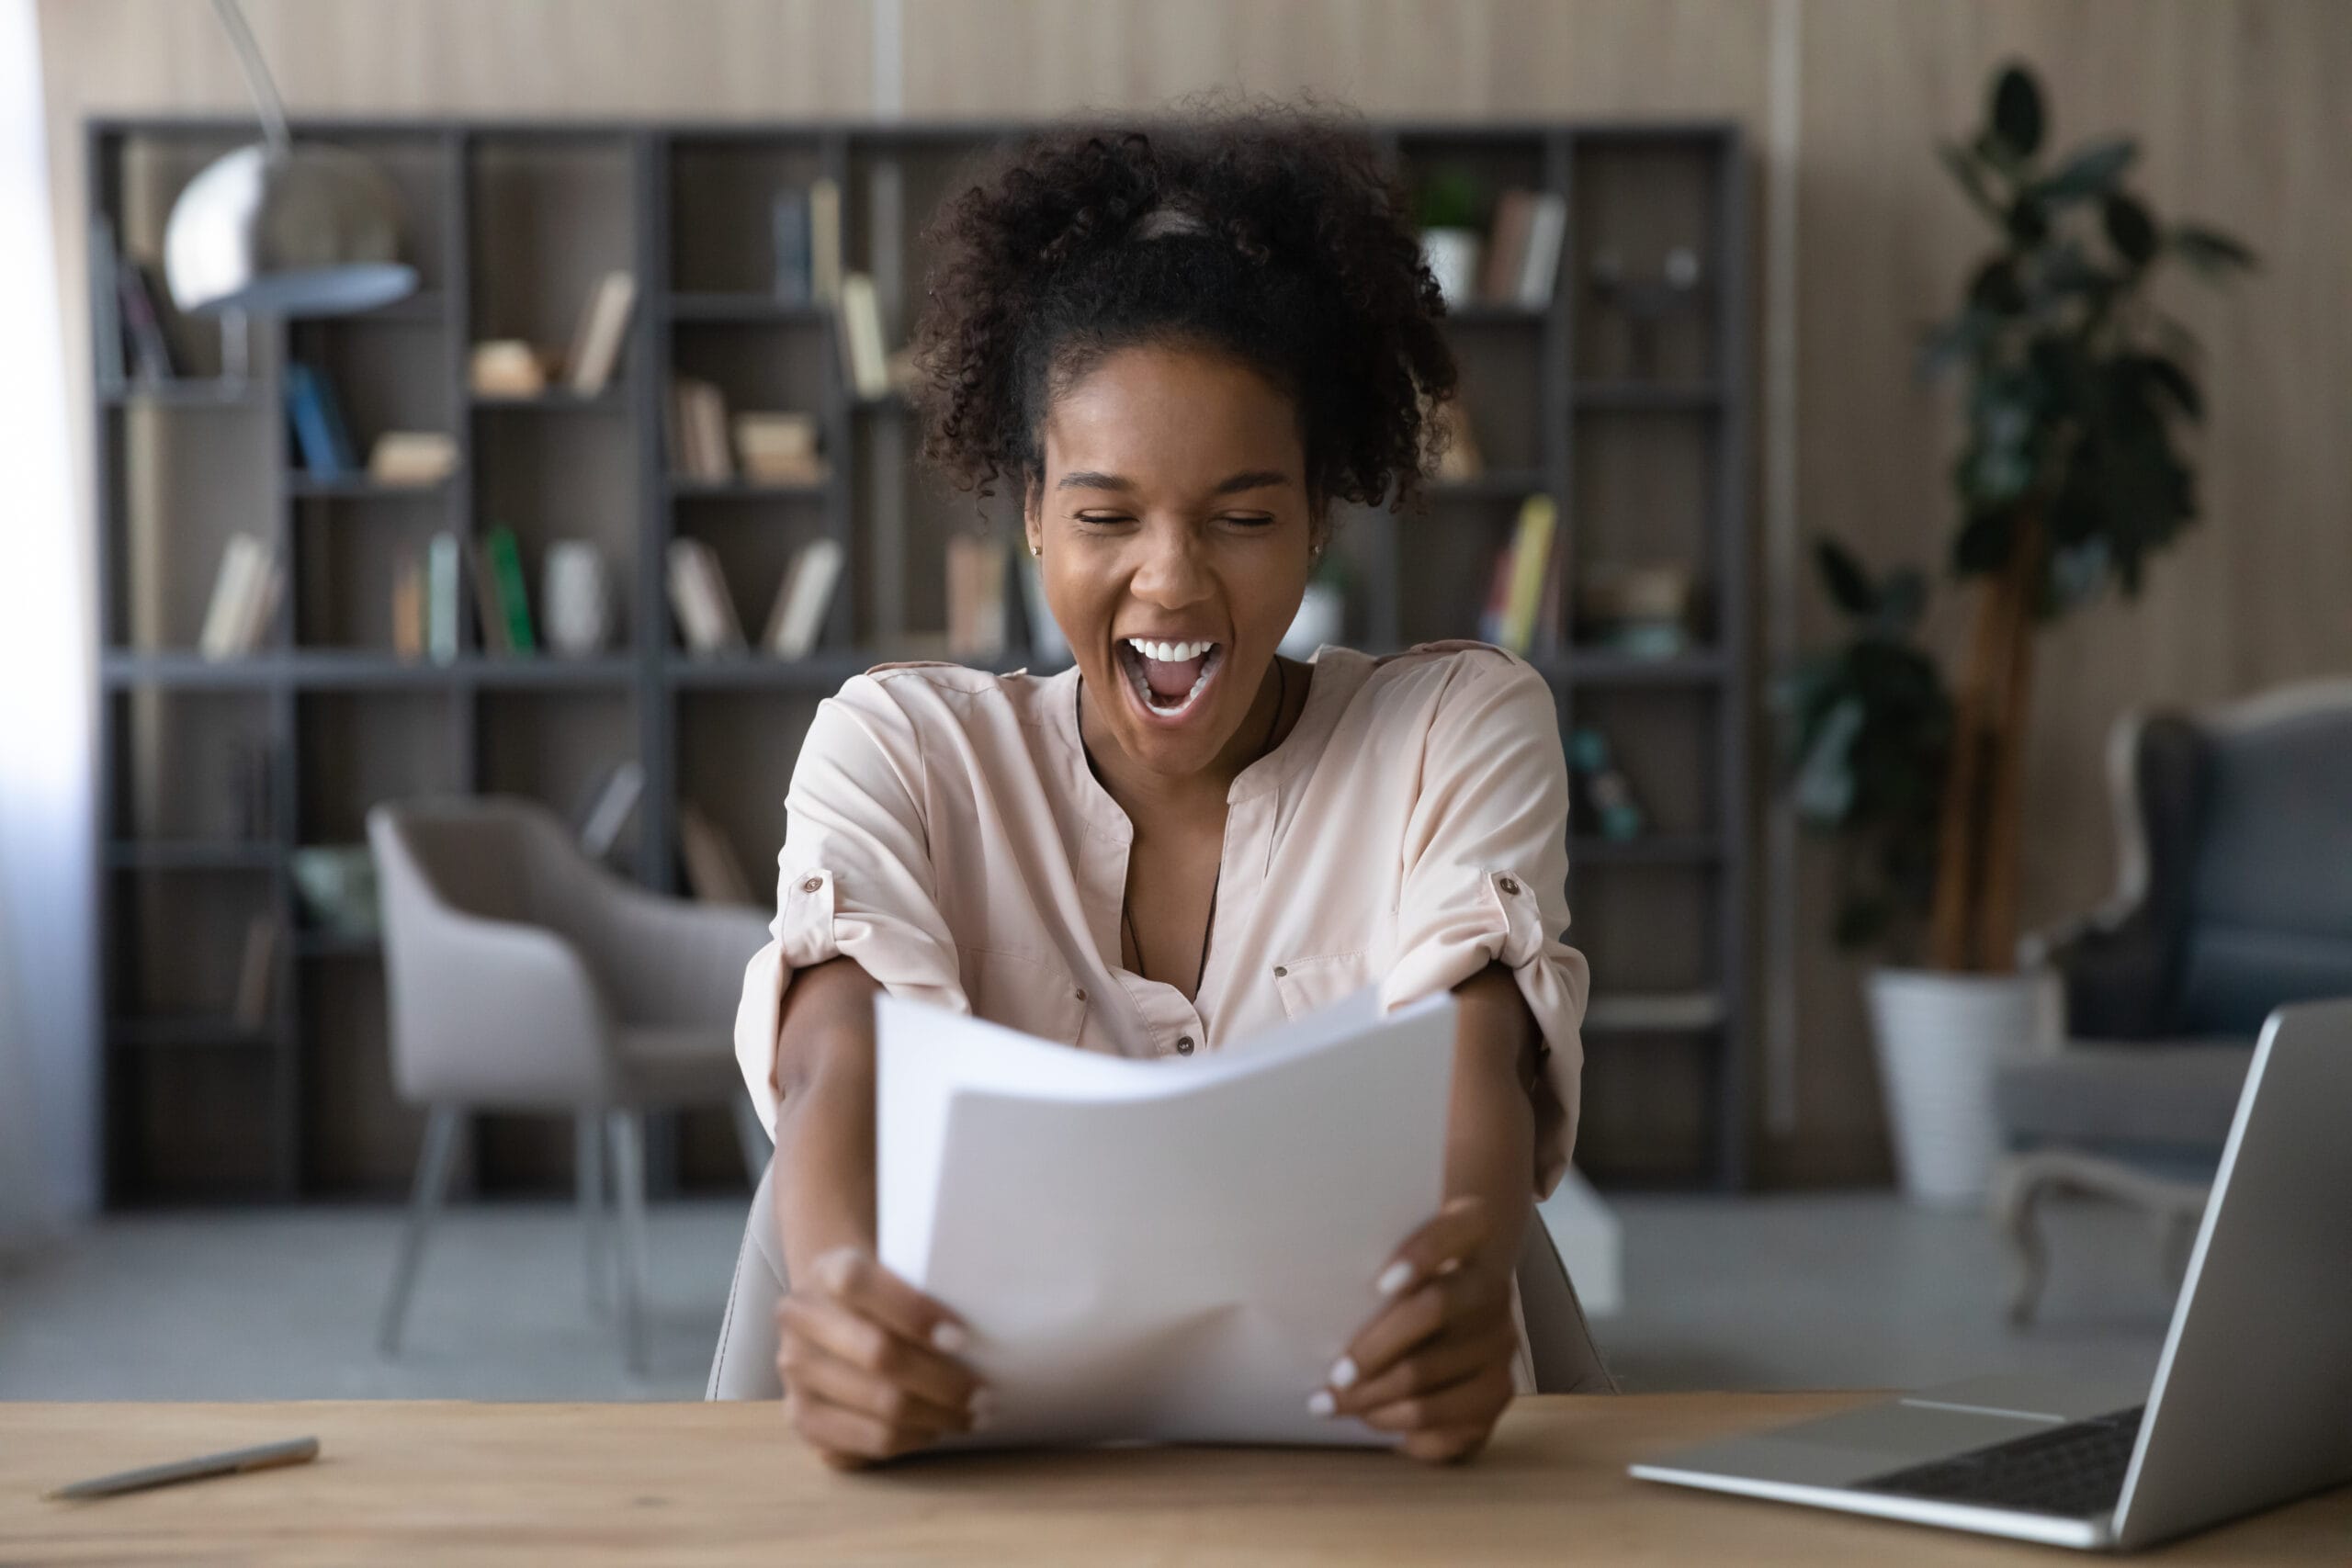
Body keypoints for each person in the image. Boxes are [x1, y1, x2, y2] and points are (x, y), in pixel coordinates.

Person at [732, 91, 1590, 1470]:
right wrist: (834, 1293)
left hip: (1366, 1478)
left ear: (1320, 518)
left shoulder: (1455, 726)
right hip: (964, 1472)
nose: (1173, 579)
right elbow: (838, 1046)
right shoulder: (897, 745)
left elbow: (1472, 1047)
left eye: (1244, 516)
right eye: (1105, 516)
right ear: (1028, 514)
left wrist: (1469, 1274)